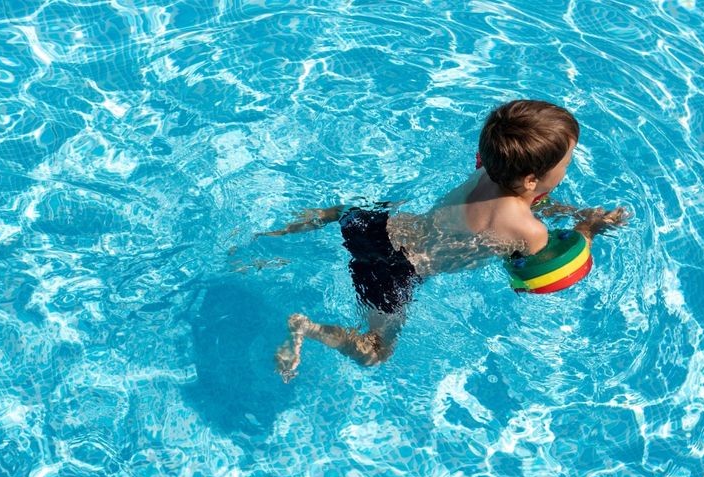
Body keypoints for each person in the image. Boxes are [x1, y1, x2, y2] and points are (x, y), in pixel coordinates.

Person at [263, 99, 630, 382]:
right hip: (397, 274)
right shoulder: (530, 231)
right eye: (566, 163)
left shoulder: (488, 170)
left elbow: (524, 201)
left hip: (380, 228)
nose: (569, 168)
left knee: (342, 212)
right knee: (375, 351)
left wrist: (559, 207)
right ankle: (307, 329)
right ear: (532, 179)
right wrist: (588, 228)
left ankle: (274, 238)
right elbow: (538, 271)